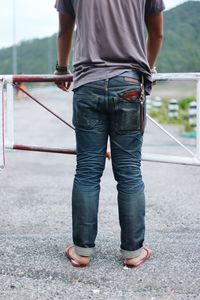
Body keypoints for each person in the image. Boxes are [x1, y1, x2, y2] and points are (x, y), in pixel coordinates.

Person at [54, 0, 165, 268]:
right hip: (129, 83)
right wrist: (147, 68)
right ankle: (133, 252)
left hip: (87, 83)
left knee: (87, 171)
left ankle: (82, 252)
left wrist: (60, 68)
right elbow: (158, 33)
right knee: (129, 172)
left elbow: (64, 31)